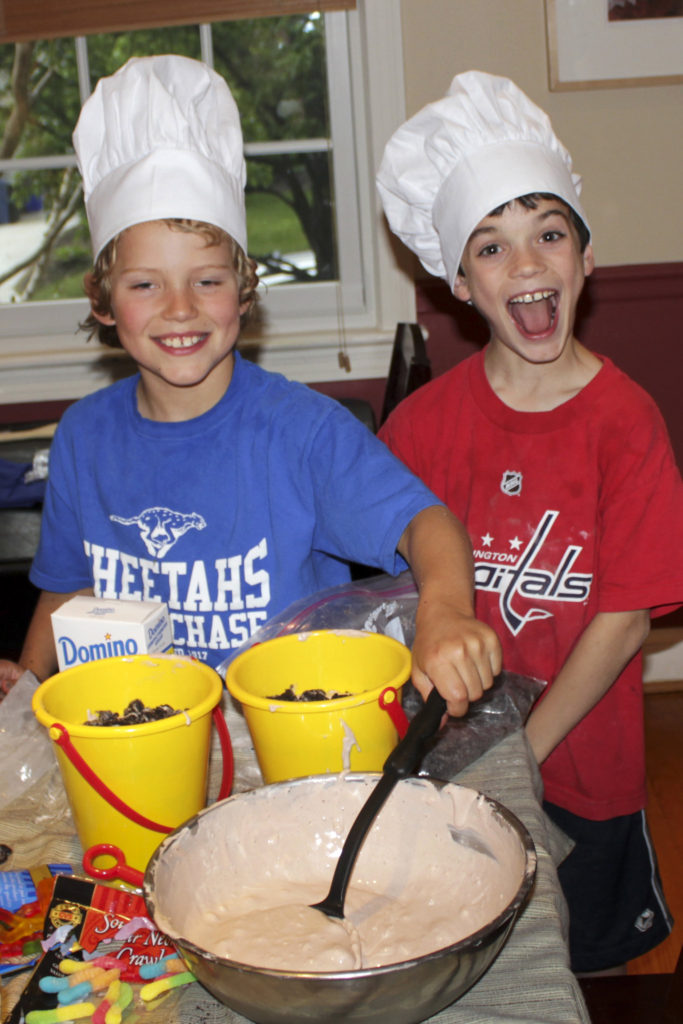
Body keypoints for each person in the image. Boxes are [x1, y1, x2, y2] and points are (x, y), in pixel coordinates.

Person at [0, 56, 501, 719]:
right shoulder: (85, 437)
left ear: (244, 292)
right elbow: (68, 590)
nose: (179, 308)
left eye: (206, 280)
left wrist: (444, 613)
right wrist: (28, 696)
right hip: (134, 733)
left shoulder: (303, 433)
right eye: (145, 283)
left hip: (284, 738)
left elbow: (426, 524)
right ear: (102, 299)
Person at [376, 70, 683, 974]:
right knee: (461, 965)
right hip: (442, 769)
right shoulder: (421, 426)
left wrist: (519, 760)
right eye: (490, 247)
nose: (525, 264)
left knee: (578, 969)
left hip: (580, 772)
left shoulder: (626, 423)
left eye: (547, 235)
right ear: (459, 284)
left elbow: (623, 618)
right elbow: (387, 593)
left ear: (585, 258)